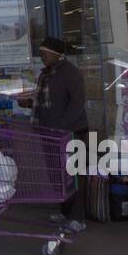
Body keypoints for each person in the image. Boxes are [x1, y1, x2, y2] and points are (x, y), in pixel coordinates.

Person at [33, 36, 88, 233]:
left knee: (72, 176)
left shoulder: (70, 73)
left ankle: (77, 217)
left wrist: (63, 125)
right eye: (40, 53)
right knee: (57, 174)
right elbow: (45, 99)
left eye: (45, 53)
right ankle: (64, 212)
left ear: (57, 54)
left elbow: (77, 102)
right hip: (50, 133)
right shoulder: (47, 74)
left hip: (70, 134)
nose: (42, 57)